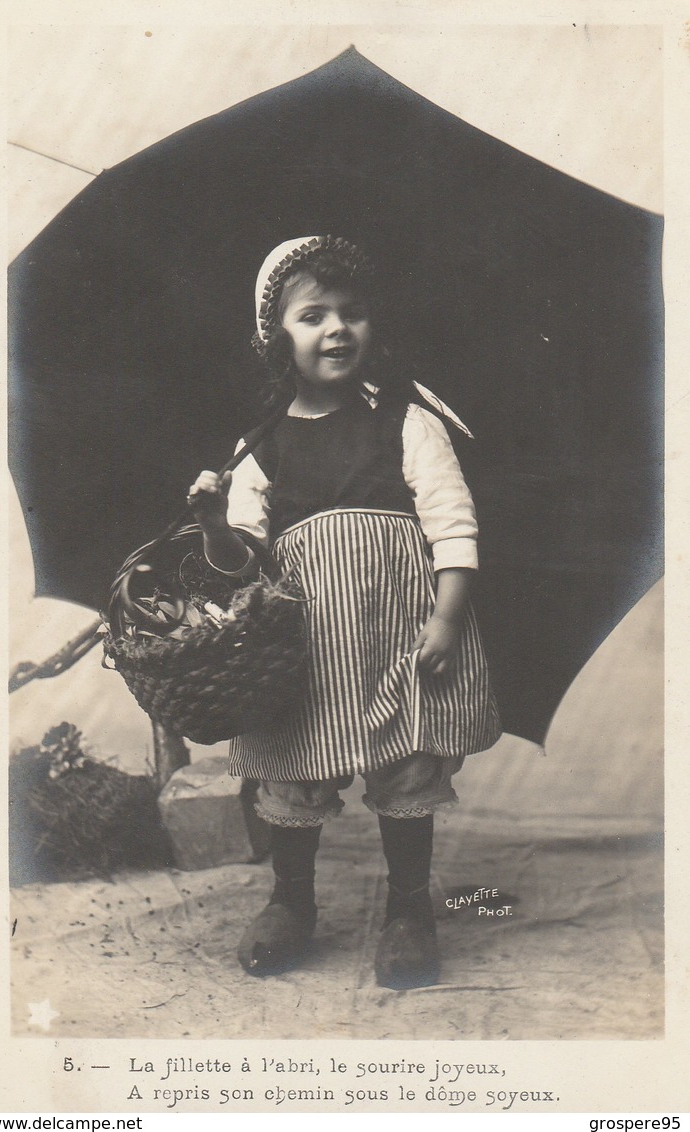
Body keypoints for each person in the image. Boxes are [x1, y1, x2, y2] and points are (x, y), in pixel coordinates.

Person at [189, 235, 501, 989]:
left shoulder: (407, 422)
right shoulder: (257, 448)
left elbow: (453, 526)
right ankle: (291, 902)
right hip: (305, 651)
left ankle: (407, 913)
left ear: (373, 328)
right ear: (276, 339)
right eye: (311, 316)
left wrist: (448, 619)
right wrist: (209, 524)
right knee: (295, 772)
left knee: (405, 765)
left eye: (352, 314)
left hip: (402, 634)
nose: (335, 329)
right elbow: (242, 567)